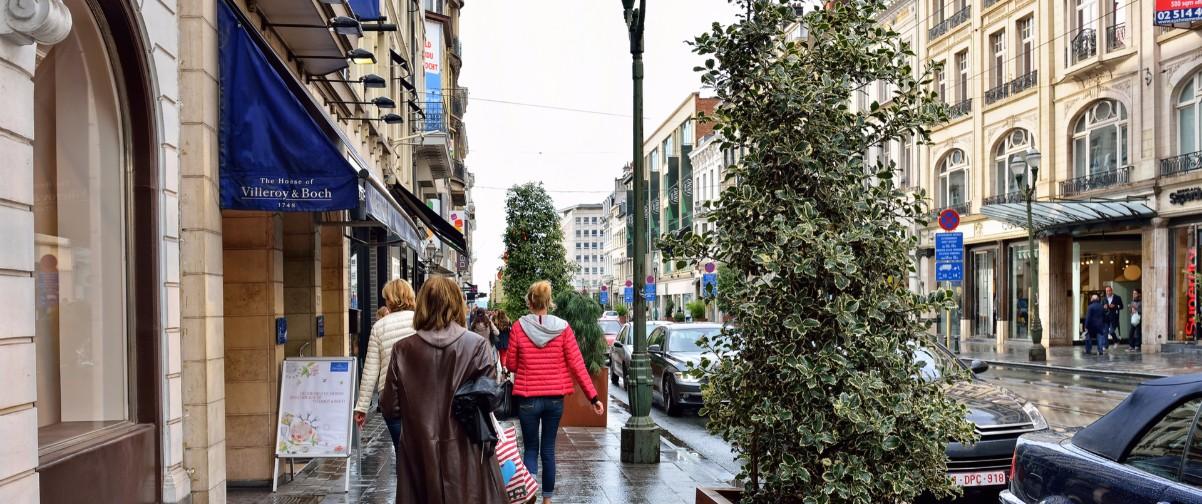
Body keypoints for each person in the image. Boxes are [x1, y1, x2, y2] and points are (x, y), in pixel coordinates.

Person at [379, 276, 506, 504]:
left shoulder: (403, 349)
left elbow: (390, 407)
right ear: (457, 304)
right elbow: (490, 401)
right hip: (466, 452)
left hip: (419, 453)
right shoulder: (476, 345)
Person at [504, 281, 604, 504]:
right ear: (549, 302)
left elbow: (511, 364)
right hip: (554, 399)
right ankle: (547, 501)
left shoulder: (519, 327)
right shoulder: (563, 328)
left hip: (527, 398)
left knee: (530, 449)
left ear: (530, 301)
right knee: (548, 449)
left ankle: (529, 496)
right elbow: (577, 365)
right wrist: (593, 397)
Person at [354, 280, 416, 448]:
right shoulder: (421, 322)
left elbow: (370, 369)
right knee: (422, 451)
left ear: (390, 299)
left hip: (390, 395)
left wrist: (362, 407)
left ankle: (404, 473)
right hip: (420, 395)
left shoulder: (379, 327)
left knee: (401, 450)